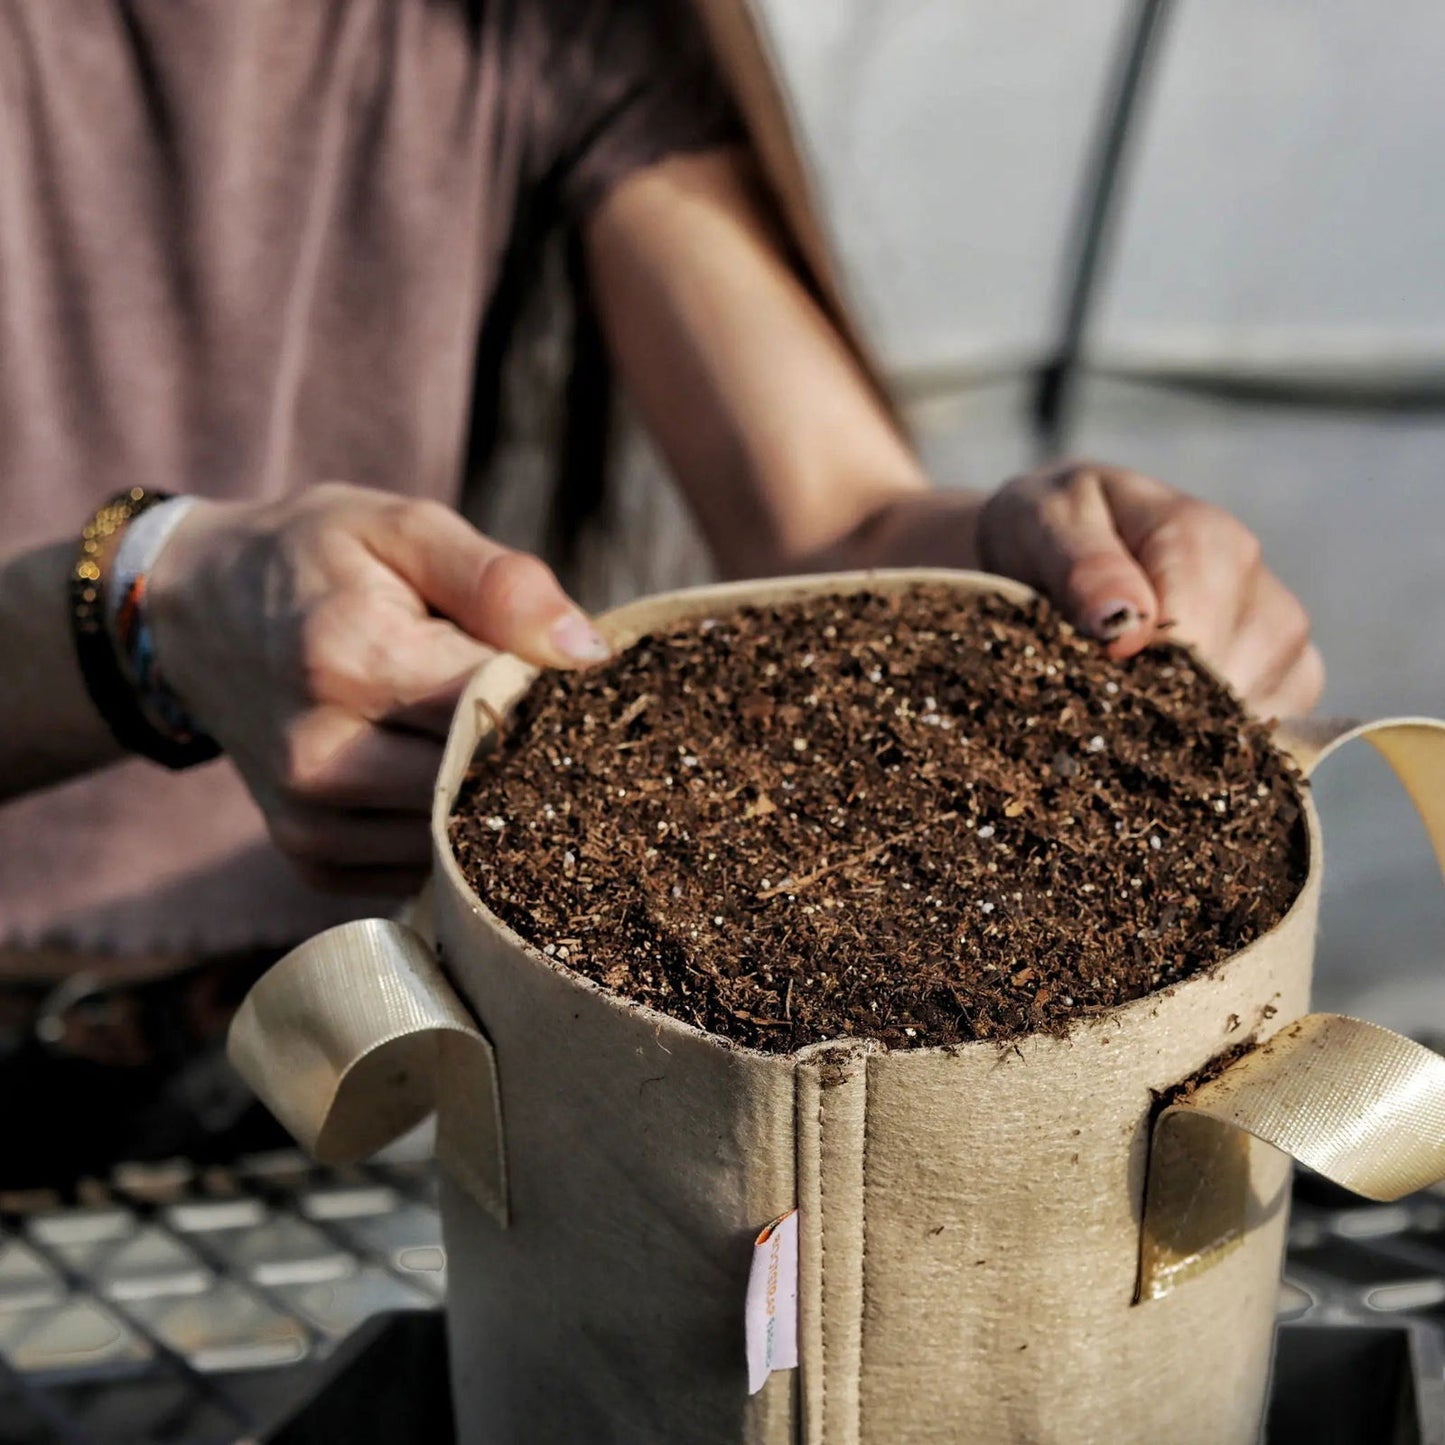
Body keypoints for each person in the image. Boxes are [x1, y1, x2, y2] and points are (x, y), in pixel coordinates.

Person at [0, 1, 1320, 1183]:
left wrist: (1042, 558)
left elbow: (834, 520)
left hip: (294, 1072)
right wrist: (136, 609)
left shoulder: (547, 27)